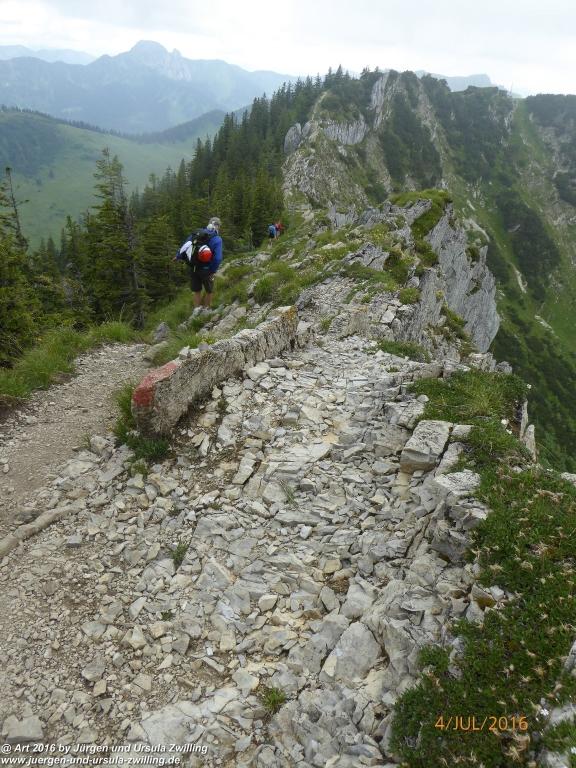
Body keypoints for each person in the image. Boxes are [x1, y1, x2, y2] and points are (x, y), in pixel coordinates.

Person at [176, 217, 223, 311]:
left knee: (197, 290)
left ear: (209, 223)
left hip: (194, 266)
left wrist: (178, 256)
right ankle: (206, 311)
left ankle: (196, 312)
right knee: (209, 290)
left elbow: (186, 245)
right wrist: (212, 270)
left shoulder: (197, 233)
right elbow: (217, 258)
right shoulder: (217, 239)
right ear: (218, 226)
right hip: (207, 269)